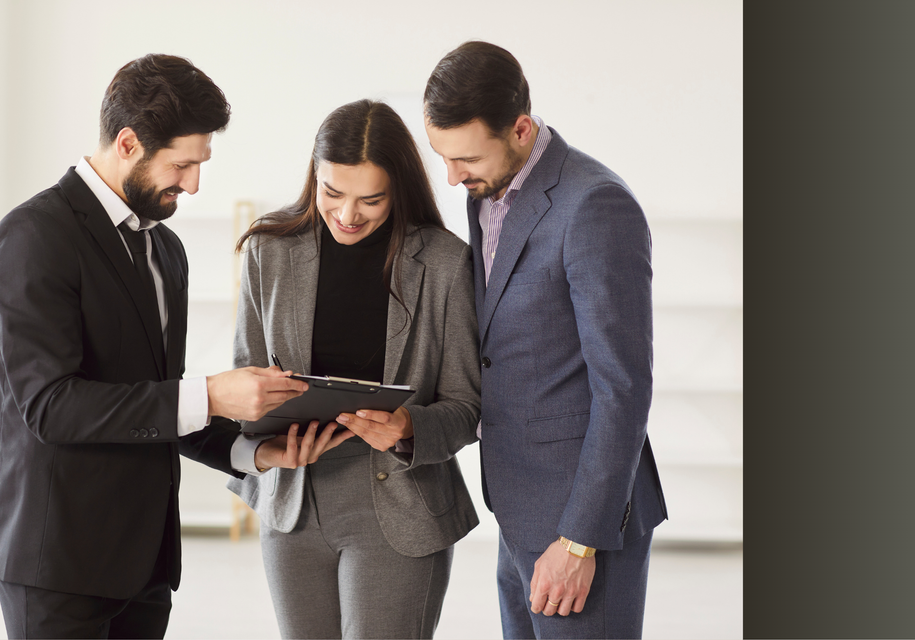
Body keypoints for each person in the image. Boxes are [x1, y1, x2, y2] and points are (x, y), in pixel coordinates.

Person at [0, 53, 323, 640]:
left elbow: (156, 398)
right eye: (182, 164)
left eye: (200, 165)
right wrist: (213, 394)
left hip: (146, 565)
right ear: (129, 143)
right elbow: (52, 408)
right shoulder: (33, 237)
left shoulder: (166, 251)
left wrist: (253, 454)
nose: (192, 183)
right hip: (57, 564)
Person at [421, 41, 669, 639]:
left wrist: (579, 541)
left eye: (465, 158)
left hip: (582, 523)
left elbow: (623, 386)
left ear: (522, 129)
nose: (453, 176)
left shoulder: (595, 205)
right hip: (519, 511)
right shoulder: (486, 193)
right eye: (444, 158)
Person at [227, 99, 483, 639]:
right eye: (332, 193)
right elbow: (241, 384)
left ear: (400, 190)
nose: (347, 215)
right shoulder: (267, 251)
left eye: (371, 199)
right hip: (292, 502)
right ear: (312, 178)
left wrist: (410, 428)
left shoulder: (444, 264)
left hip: (398, 506)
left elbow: (467, 405)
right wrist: (257, 451)